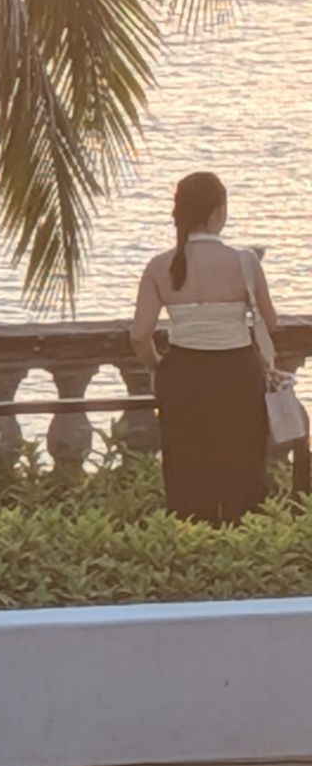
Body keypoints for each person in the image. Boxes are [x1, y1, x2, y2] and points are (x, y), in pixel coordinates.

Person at [129, 170, 277, 523]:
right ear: (217, 212)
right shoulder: (245, 262)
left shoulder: (159, 266)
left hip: (182, 374)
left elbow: (139, 334)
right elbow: (269, 322)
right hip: (238, 373)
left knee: (186, 468)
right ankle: (242, 537)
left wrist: (156, 365)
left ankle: (191, 537)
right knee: (242, 464)